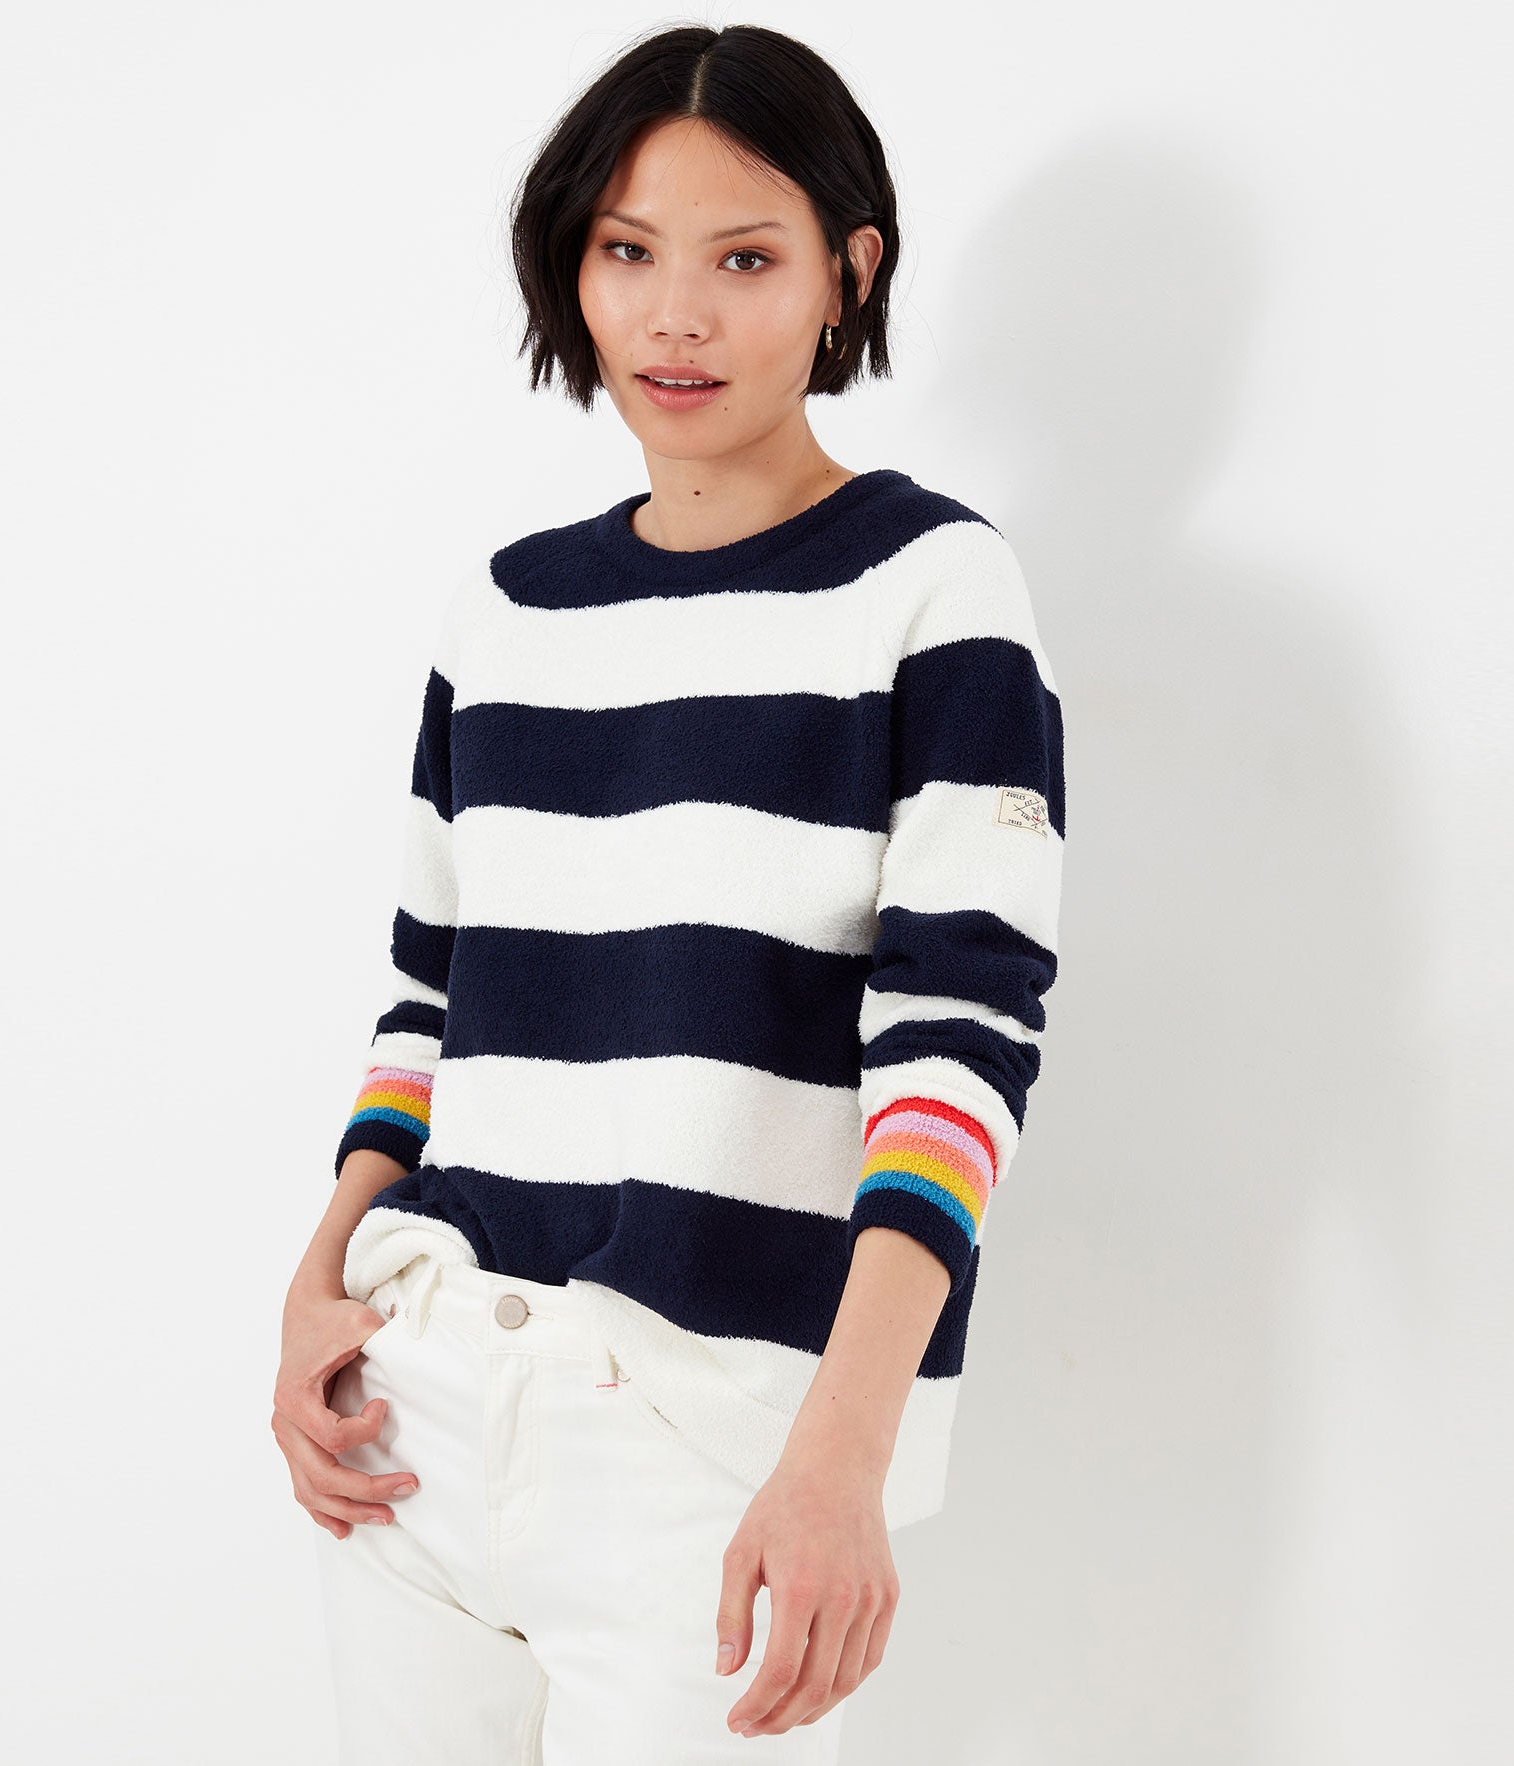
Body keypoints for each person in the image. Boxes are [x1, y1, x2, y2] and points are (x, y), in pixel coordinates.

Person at [270, 22, 1067, 1763]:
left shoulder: (929, 589)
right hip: (417, 1403)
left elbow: (957, 1049)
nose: (675, 316)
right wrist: (314, 1286)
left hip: (712, 1445)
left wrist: (842, 1456)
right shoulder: (505, 611)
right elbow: (430, 999)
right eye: (627, 252)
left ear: (849, 274)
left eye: (744, 259)